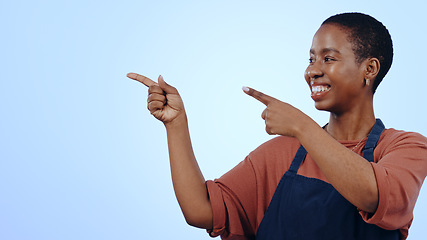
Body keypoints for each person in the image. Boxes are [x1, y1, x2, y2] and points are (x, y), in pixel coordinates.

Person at [127, 12, 427, 240]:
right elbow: (200, 210)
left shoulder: (406, 148)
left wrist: (303, 127)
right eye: (311, 59)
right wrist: (176, 124)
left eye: (328, 58)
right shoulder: (281, 154)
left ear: (369, 69)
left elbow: (375, 196)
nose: (312, 70)